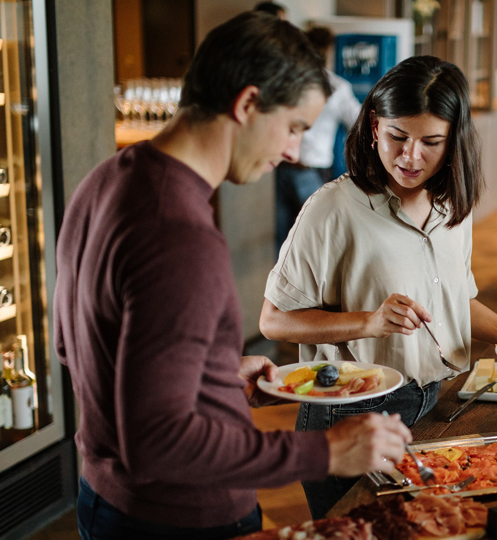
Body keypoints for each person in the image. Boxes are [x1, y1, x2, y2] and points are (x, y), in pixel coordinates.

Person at [53, 12, 410, 540]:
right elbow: (159, 442)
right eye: (292, 127)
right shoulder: (181, 237)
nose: (292, 151)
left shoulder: (105, 178)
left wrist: (210, 374)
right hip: (179, 517)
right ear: (246, 104)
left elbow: (75, 345)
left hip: (103, 498)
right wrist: (328, 450)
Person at [259, 55, 497, 518]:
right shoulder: (333, 209)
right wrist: (370, 322)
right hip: (348, 414)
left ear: (454, 140)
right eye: (397, 136)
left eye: (431, 142)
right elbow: (273, 321)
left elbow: (457, 303)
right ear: (374, 127)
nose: (410, 156)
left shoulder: (453, 204)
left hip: (432, 402)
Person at [274, 26, 361, 256]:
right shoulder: (336, 87)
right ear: (327, 52)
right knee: (317, 239)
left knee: (282, 239)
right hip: (312, 171)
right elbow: (360, 123)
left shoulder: (286, 81)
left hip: (280, 167)